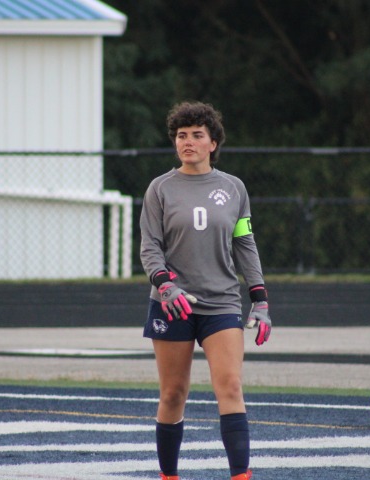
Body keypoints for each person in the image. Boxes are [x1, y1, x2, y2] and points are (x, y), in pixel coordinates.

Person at [140, 101, 272, 480]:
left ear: (213, 143)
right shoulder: (160, 189)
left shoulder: (234, 188)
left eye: (197, 135)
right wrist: (165, 285)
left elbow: (244, 243)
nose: (188, 142)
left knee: (230, 386)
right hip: (171, 305)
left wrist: (260, 299)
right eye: (182, 135)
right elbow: (150, 246)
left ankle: (240, 475)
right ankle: (169, 476)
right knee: (172, 394)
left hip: (222, 302)